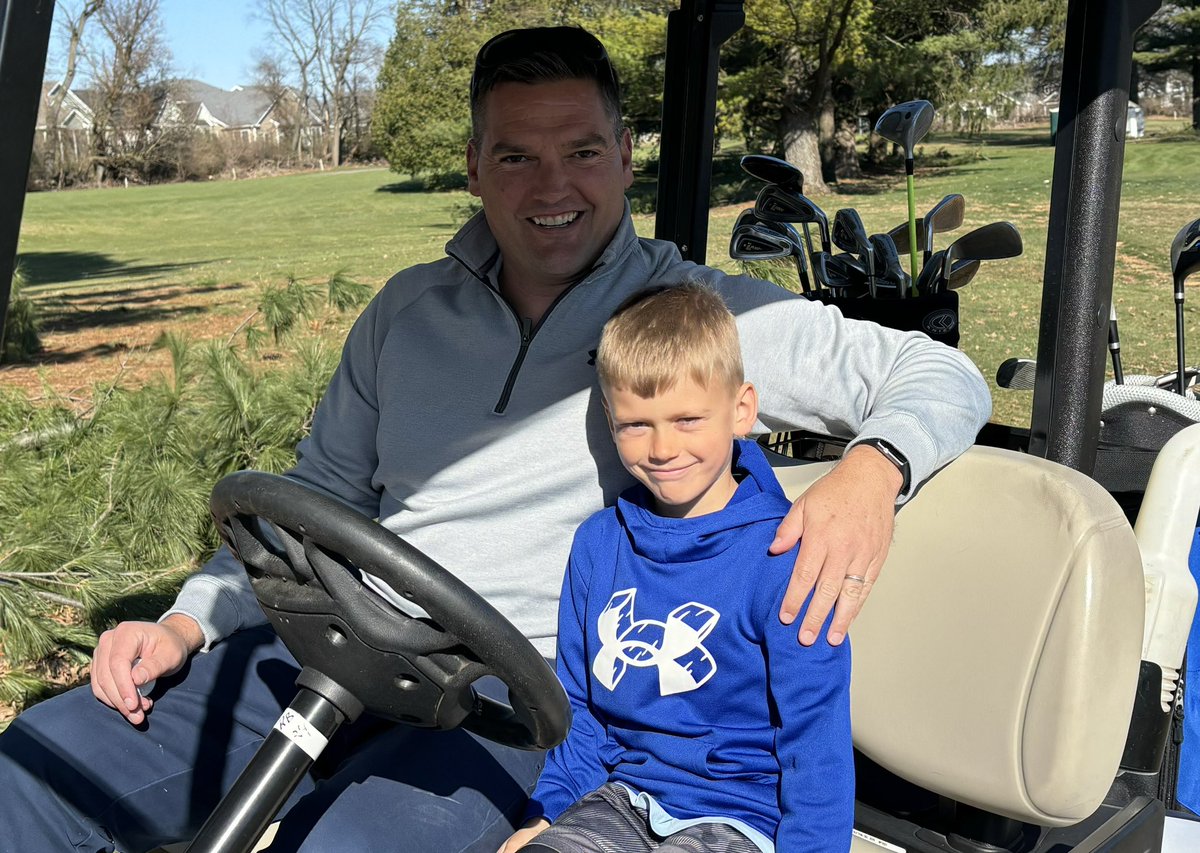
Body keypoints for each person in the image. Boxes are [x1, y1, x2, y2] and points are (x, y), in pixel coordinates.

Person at [0, 25, 989, 853]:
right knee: (35, 774)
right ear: (475, 165)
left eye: (583, 151)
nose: (551, 186)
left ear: (625, 155)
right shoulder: (405, 312)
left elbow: (937, 373)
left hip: (506, 693)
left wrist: (873, 470)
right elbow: (319, 494)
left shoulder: (691, 318)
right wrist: (183, 622)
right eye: (516, 155)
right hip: (326, 641)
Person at [500, 284, 853, 853]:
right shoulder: (599, 546)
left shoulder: (783, 559)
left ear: (742, 411)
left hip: (742, 813)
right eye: (636, 425)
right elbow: (582, 707)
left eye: (688, 419)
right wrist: (549, 816)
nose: (662, 448)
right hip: (622, 796)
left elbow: (816, 739)